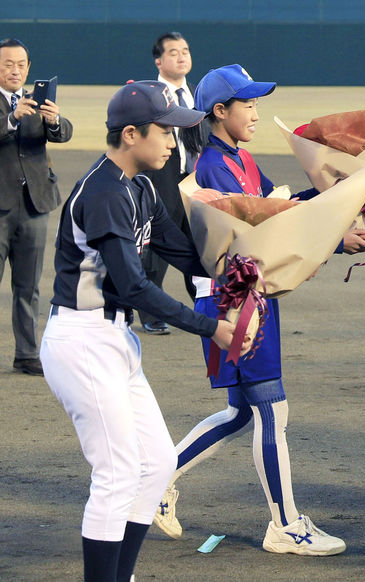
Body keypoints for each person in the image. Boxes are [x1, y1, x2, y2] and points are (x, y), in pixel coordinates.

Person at [152, 64, 365, 556]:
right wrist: (331, 234)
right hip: (235, 301)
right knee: (272, 409)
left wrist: (344, 192)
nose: (255, 111)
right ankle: (286, 525)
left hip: (246, 296)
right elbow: (261, 235)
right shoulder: (212, 167)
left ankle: (154, 485)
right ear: (219, 112)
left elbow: (281, 208)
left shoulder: (239, 160)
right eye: (246, 103)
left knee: (241, 412)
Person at [40, 80, 245, 582]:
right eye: (165, 132)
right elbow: (132, 286)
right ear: (131, 134)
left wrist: (264, 263)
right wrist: (210, 327)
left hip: (112, 342)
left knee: (154, 465)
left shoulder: (139, 186)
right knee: (115, 474)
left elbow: (186, 254)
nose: (174, 143)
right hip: (82, 342)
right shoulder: (105, 192)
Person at [0, 37, 72, 376]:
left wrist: (55, 120)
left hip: (33, 204)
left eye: (20, 65)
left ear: (28, 68)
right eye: (7, 64)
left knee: (28, 286)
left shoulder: (38, 101)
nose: (15, 70)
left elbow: (63, 134)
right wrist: (12, 118)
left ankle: (27, 354)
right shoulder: (16, 109)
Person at [138, 31, 198, 334]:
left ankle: (207, 305)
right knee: (156, 250)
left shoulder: (196, 95)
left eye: (185, 50)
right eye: (173, 52)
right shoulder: (149, 94)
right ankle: (151, 313)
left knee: (201, 244)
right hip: (161, 180)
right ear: (158, 60)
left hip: (195, 181)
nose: (181, 56)